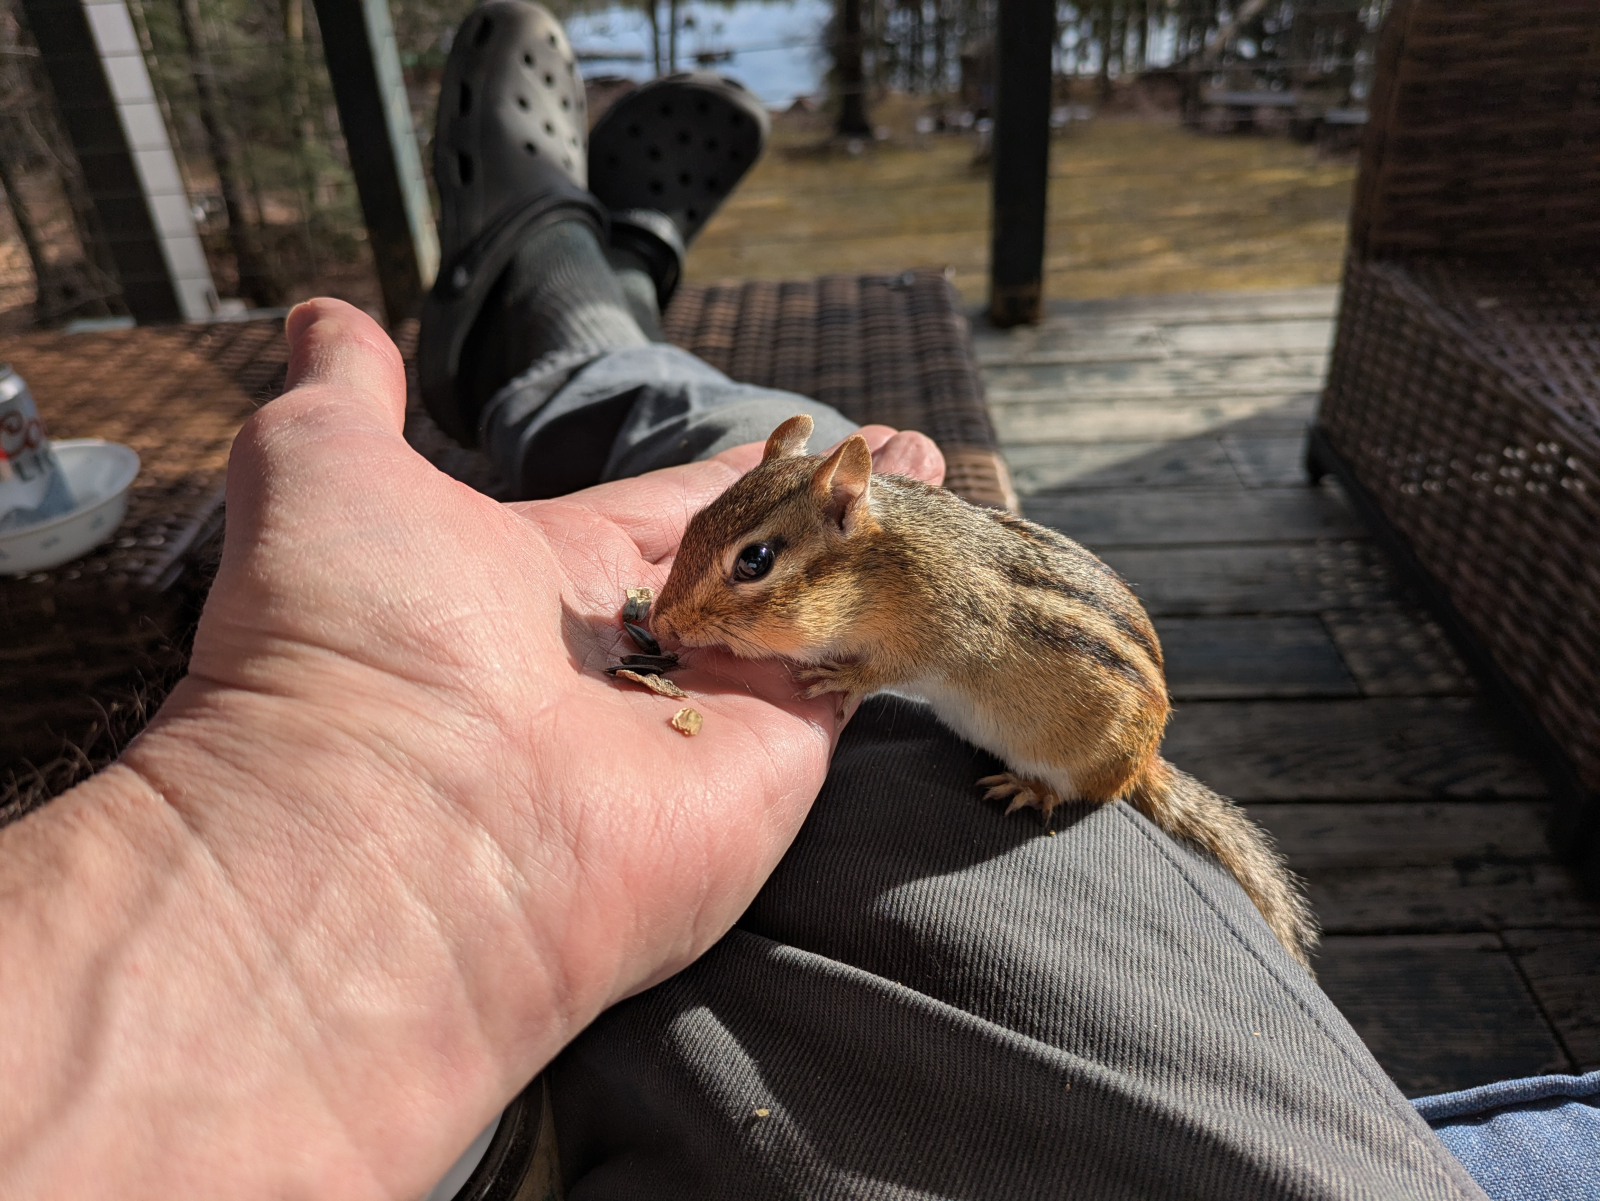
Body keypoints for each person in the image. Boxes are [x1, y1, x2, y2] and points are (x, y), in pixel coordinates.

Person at [0, 5, 1498, 1198]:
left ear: (854, 549)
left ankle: (564, 305)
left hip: (1064, 755)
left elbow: (932, 633)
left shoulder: (896, 591)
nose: (684, 610)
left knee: (736, 430)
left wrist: (223, 875)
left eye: (760, 580)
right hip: (1335, 1149)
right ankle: (583, 304)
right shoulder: (838, 538)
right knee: (753, 425)